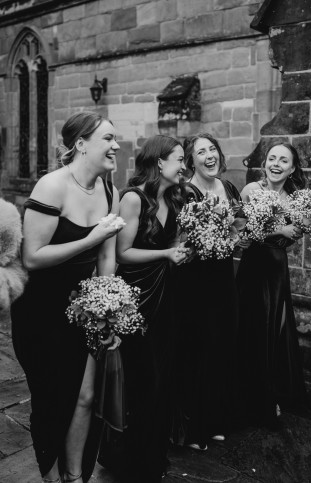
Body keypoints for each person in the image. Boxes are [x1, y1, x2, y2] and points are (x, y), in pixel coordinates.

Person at [11, 112, 122, 483]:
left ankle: (75, 476)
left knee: (86, 396)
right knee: (51, 399)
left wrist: (109, 309)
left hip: (84, 306)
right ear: (81, 144)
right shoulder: (51, 186)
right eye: (108, 138)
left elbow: (107, 257)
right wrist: (90, 239)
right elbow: (32, 257)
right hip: (40, 310)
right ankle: (51, 474)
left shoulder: (110, 190)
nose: (116, 145)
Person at [98, 135, 188, 483]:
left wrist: (183, 247)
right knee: (142, 378)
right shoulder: (134, 198)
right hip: (138, 297)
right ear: (159, 162)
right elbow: (123, 254)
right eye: (179, 159)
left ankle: (153, 454)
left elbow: (174, 242)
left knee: (163, 376)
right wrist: (166, 254)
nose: (184, 166)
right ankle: (128, 457)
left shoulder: (174, 197)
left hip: (168, 295)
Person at [171, 132, 249, 452]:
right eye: (200, 151)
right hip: (194, 280)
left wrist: (238, 237)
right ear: (191, 160)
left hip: (222, 278)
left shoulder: (228, 188)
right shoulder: (185, 192)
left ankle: (216, 419)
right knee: (197, 348)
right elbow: (177, 237)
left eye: (212, 149)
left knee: (222, 345)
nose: (209, 155)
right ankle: (193, 428)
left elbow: (241, 223)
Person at [235, 141, 308, 430]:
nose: (275, 164)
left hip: (277, 268)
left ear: (292, 169)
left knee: (274, 330)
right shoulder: (252, 190)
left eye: (283, 161)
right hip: (254, 267)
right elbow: (246, 227)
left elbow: (291, 238)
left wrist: (299, 230)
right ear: (265, 163)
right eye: (272, 158)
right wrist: (282, 228)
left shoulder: (296, 199)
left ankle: (270, 392)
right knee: (251, 327)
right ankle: (247, 396)